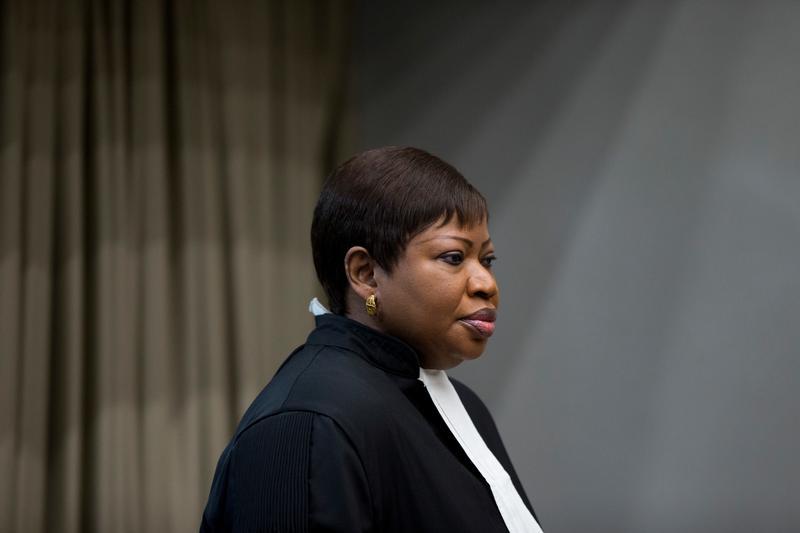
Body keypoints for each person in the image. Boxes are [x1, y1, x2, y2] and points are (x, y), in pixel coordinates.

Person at [200, 147, 543, 532]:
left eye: (487, 260)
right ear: (366, 274)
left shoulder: (464, 406)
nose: (486, 284)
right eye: (453, 257)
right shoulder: (307, 423)